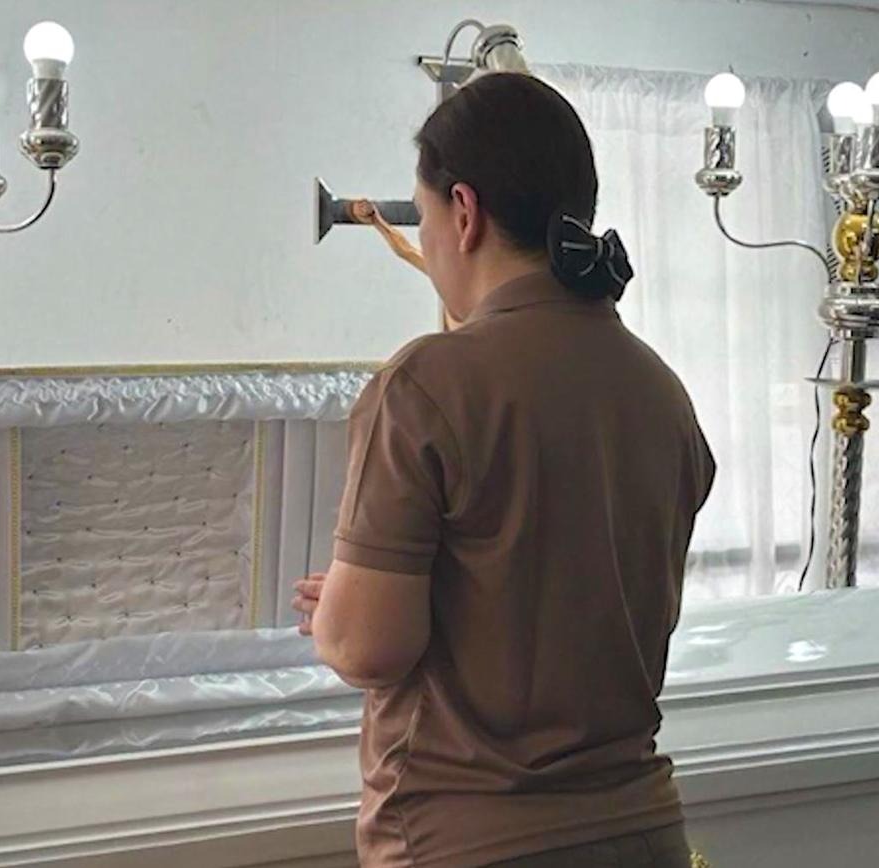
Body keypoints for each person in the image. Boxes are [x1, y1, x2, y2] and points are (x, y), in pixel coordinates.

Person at [292, 72, 715, 868]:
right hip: (642, 828)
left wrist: (336, 615)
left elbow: (367, 647)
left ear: (463, 211)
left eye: (421, 218)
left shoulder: (425, 383)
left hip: (471, 835)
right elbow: (572, 593)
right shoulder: (659, 387)